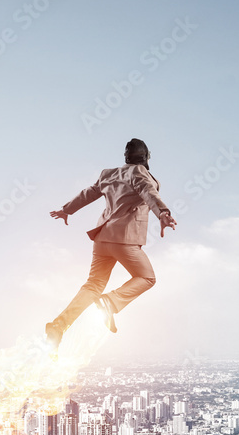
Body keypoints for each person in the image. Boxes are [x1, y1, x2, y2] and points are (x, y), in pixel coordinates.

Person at [46, 138, 177, 348]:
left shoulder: (108, 174)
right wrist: (163, 212)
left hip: (102, 238)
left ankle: (58, 326)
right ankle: (110, 302)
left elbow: (88, 193)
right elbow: (148, 192)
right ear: (146, 157)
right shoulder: (139, 173)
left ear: (125, 156)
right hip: (124, 239)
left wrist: (66, 210)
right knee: (147, 277)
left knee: (93, 285)